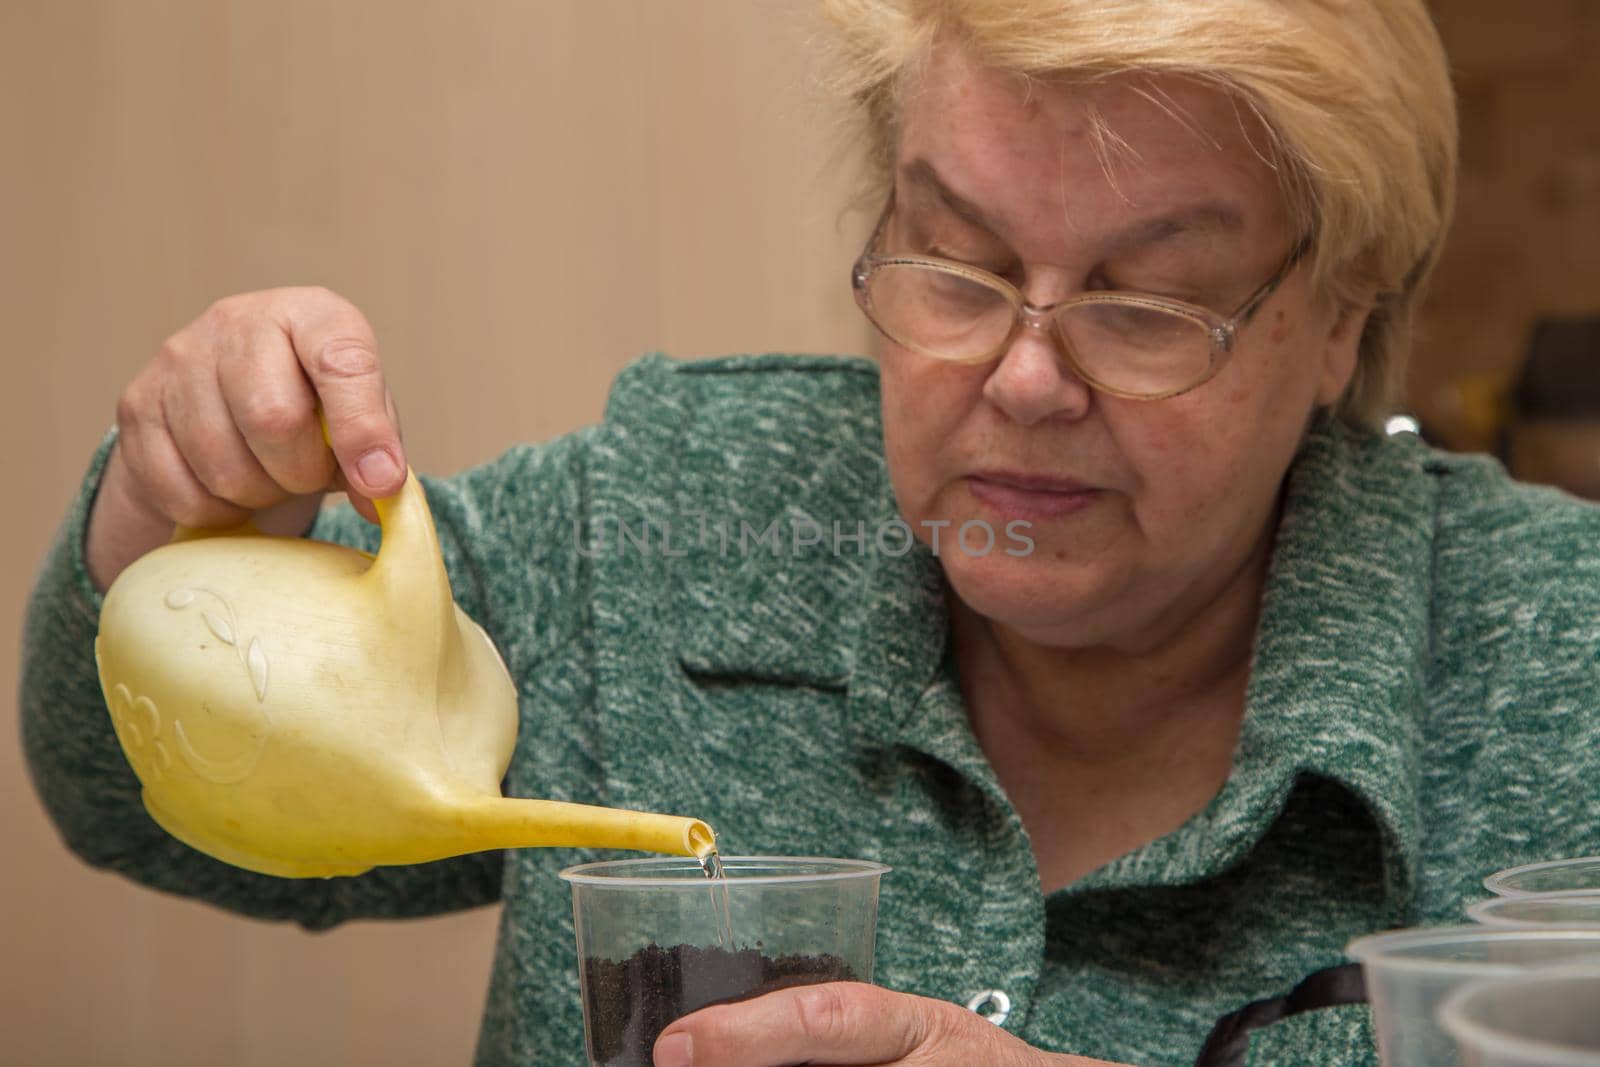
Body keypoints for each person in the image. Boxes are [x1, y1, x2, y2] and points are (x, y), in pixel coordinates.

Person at [21, 2, 1600, 1065]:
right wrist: (175, 514)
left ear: (1343, 321)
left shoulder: (1555, 666)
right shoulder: (674, 516)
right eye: (955, 263)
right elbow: (136, 802)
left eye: (1149, 300)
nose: (1024, 379)